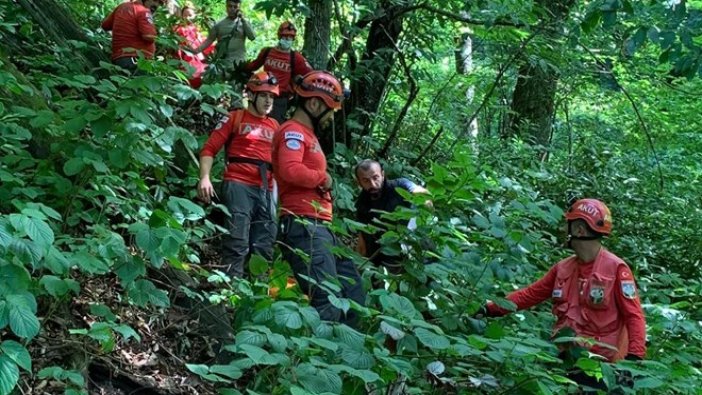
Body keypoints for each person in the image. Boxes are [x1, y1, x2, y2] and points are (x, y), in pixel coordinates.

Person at [476, 199, 646, 389]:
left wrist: (632, 361)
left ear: (580, 230)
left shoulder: (617, 269)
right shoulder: (563, 268)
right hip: (568, 361)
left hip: (604, 367)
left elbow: (634, 316)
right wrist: (489, 309)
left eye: (569, 224)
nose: (564, 229)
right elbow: (529, 295)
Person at [272, 71, 365, 326]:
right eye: (330, 110)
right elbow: (290, 170)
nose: (331, 117)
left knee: (352, 293)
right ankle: (313, 360)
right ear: (314, 103)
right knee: (327, 298)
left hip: (319, 225)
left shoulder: (307, 134)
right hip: (303, 224)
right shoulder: (294, 131)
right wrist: (321, 178)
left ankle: (346, 354)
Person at [197, 72, 280, 278]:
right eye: (264, 95)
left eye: (271, 97)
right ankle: (231, 289)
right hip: (238, 183)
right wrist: (205, 177)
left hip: (267, 188)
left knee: (265, 242)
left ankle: (257, 291)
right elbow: (209, 149)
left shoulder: (276, 126)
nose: (268, 101)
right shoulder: (234, 118)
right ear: (251, 95)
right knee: (237, 239)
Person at [354, 159, 430, 275]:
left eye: (375, 178)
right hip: (383, 263)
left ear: (383, 174)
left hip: (413, 251)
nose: (373, 184)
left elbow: (420, 194)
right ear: (359, 182)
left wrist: (424, 199)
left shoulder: (400, 186)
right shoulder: (362, 204)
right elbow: (362, 243)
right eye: (366, 181)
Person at [245, 21, 312, 123]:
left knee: (274, 125)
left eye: (290, 37)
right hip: (262, 94)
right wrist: (240, 69)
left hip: (280, 100)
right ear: (280, 37)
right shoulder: (267, 52)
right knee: (256, 122)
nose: (288, 40)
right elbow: (253, 66)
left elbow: (309, 74)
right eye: (285, 37)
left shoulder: (296, 57)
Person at [191, 0, 255, 77]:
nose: (232, 9)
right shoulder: (219, 25)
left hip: (238, 60)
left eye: (235, 7)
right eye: (230, 6)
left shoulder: (244, 23)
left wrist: (243, 19)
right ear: (226, 7)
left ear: (239, 8)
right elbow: (209, 40)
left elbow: (252, 37)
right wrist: (196, 50)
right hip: (222, 60)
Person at [101, 0, 164, 72]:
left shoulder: (121, 7)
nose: (156, 5)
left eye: (160, 3)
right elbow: (149, 36)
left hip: (119, 58)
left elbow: (105, 25)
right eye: (154, 0)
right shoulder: (143, 11)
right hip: (136, 59)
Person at [174, 2, 213, 88]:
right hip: (190, 60)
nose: (187, 18)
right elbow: (187, 45)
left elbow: (205, 44)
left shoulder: (197, 29)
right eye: (185, 15)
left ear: (195, 15)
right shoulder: (180, 29)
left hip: (201, 59)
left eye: (190, 15)